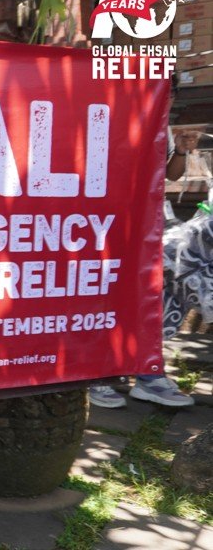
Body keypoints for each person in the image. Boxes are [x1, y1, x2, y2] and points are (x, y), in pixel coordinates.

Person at [89, 126, 200, 409]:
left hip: (152, 219)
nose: (168, 95)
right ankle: (99, 373)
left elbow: (168, 175)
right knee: (109, 290)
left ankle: (148, 372)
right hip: (109, 216)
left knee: (165, 288)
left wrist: (180, 150)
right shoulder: (111, 111)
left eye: (172, 89)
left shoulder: (157, 117)